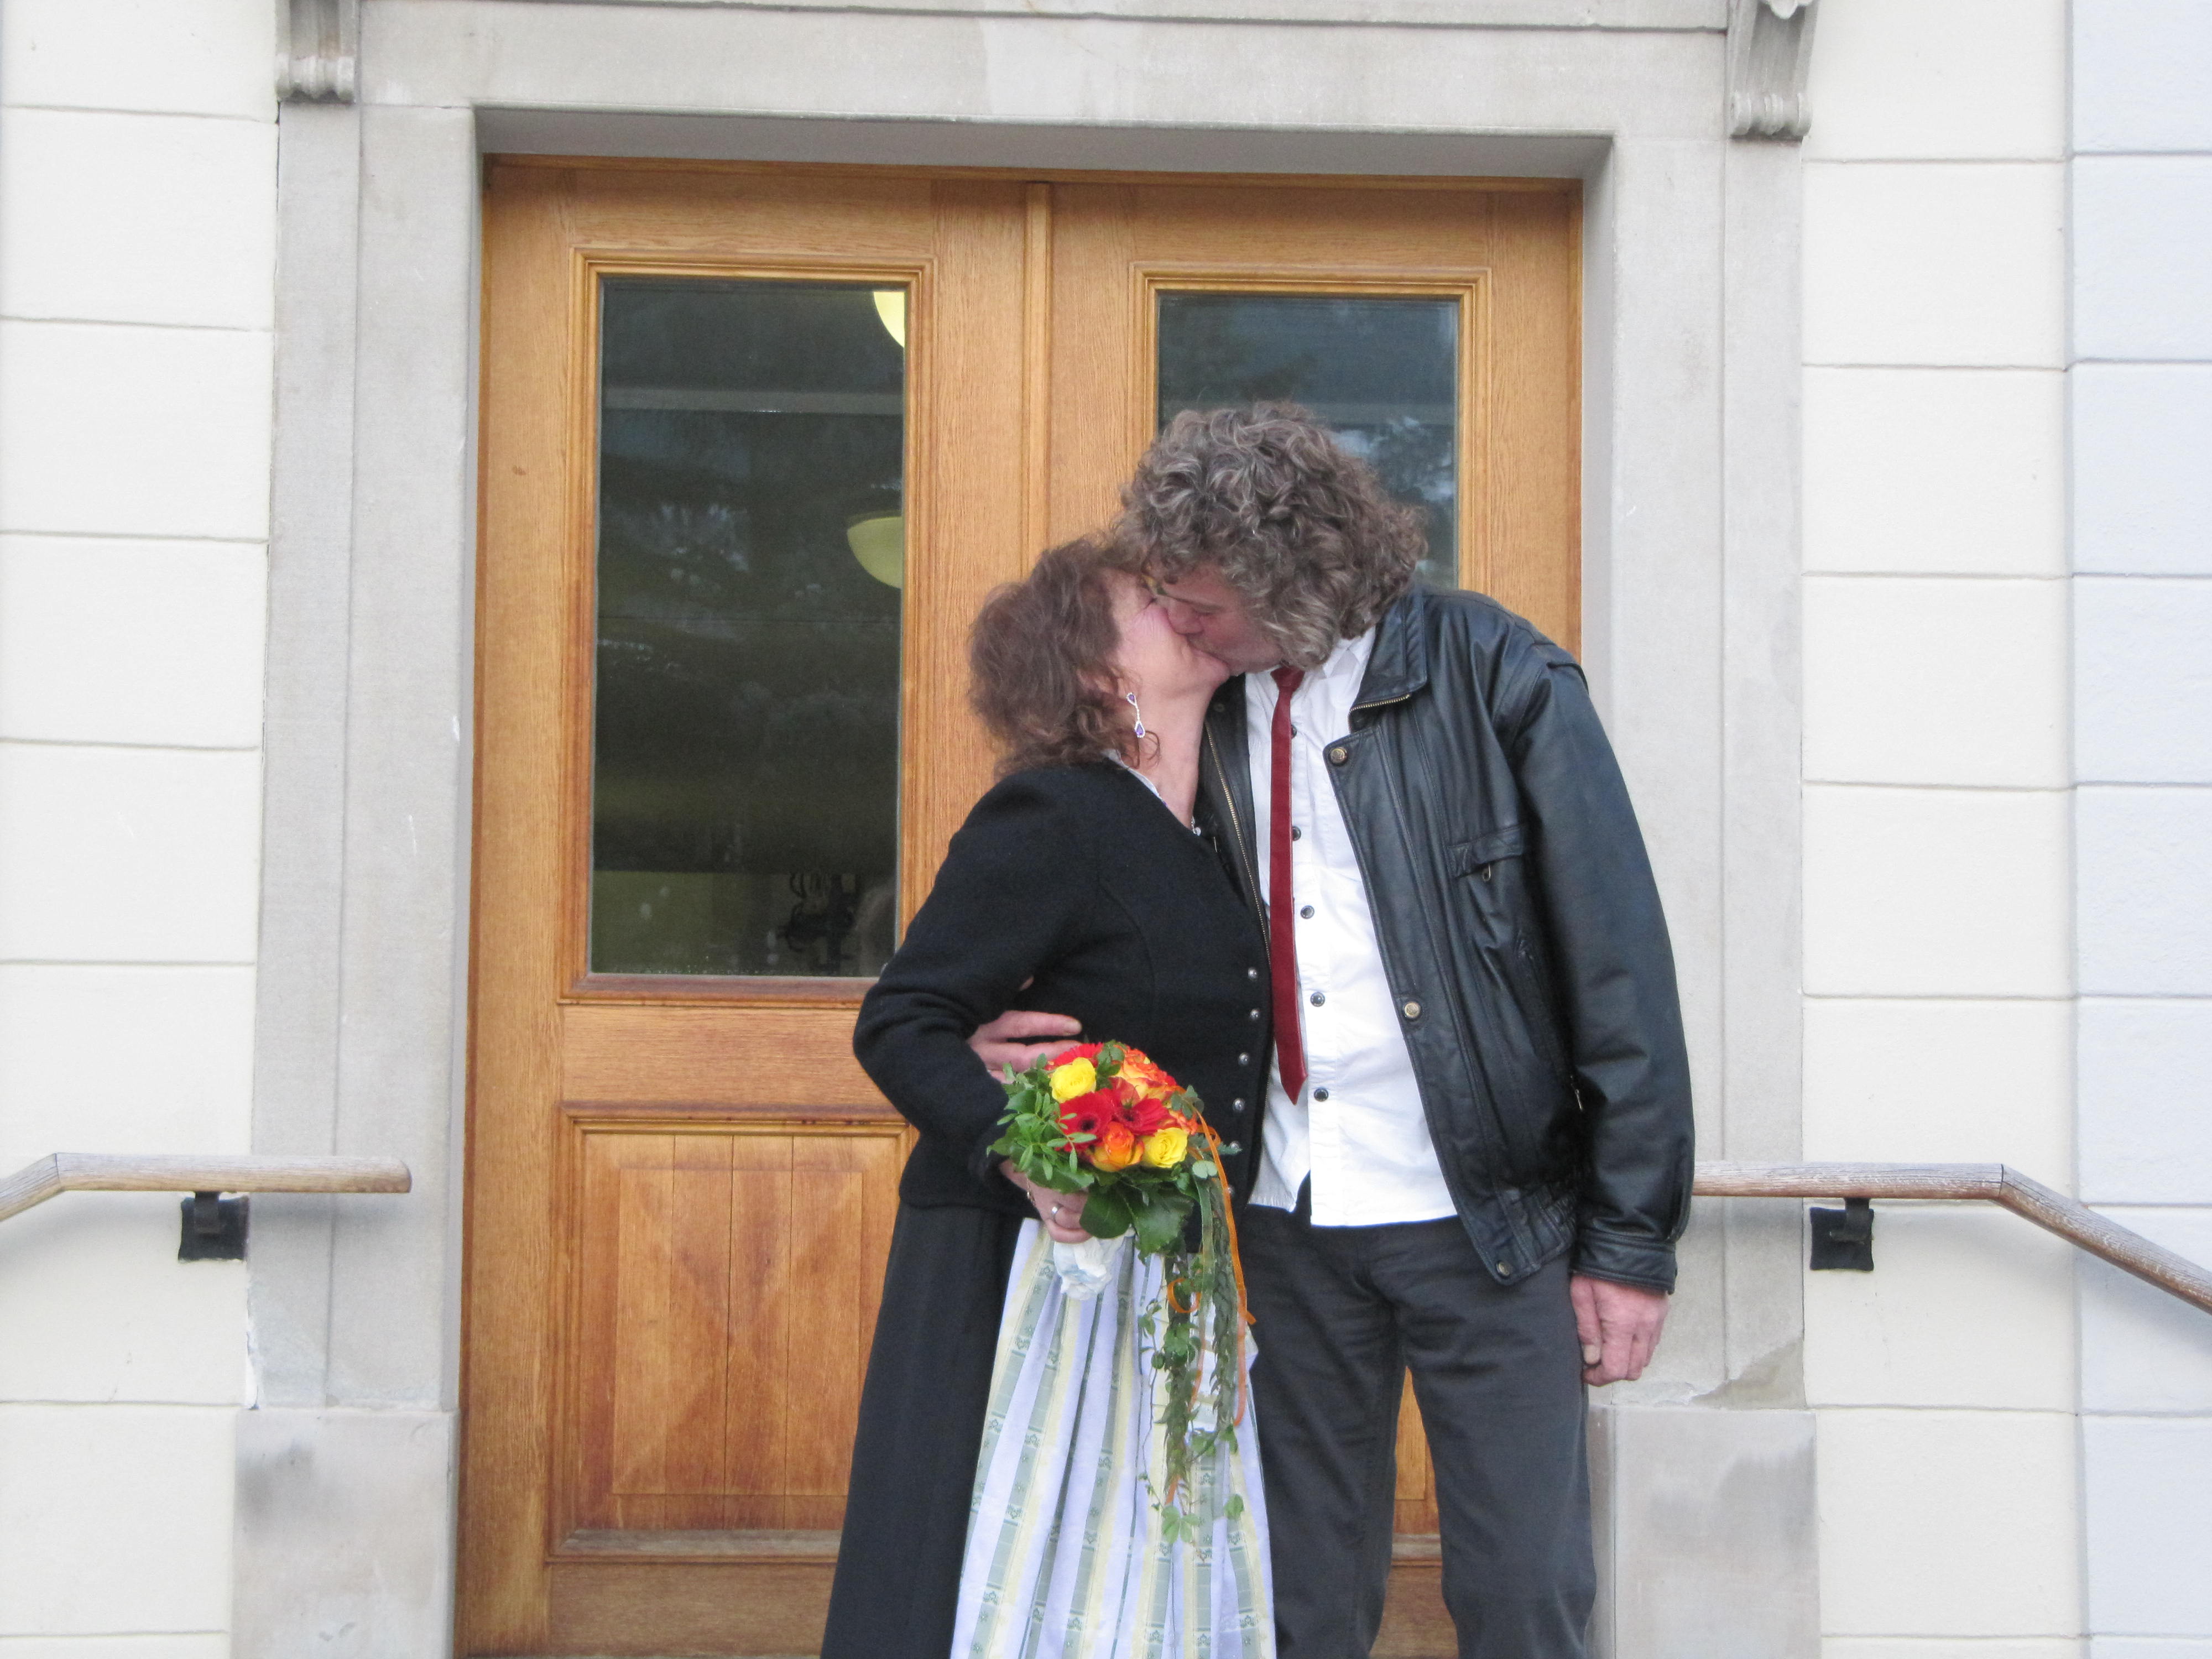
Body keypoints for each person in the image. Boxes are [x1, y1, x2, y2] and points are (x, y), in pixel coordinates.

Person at [972, 405, 1694, 1659]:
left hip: (1493, 1219)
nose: (1174, 624)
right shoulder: (1201, 712)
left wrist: (1631, 1243)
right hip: (1278, 1220)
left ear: (1286, 583)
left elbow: (1617, 967)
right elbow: (1128, 922)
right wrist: (1013, 1033)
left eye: (1197, 603)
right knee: (1293, 1601)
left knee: (1523, 1590)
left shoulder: (1495, 673)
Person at [822, 537, 1277, 1659]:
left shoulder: (1217, 831)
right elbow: (902, 1018)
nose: (1185, 607)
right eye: (1150, 601)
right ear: (1093, 669)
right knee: (993, 1570)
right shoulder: (1055, 814)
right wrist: (1023, 1152)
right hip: (1018, 1261)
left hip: (1159, 1275)